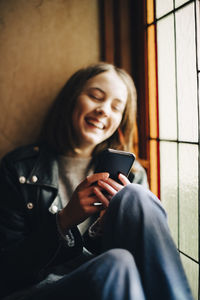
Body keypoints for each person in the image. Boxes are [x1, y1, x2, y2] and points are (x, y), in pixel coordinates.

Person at [0, 63, 193, 300]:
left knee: (134, 199)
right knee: (116, 264)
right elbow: (7, 269)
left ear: (120, 121)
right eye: (95, 96)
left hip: (115, 284)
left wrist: (107, 225)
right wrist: (64, 220)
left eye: (116, 107)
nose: (104, 110)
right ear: (72, 98)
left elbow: (145, 259)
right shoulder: (17, 168)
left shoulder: (131, 176)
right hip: (39, 290)